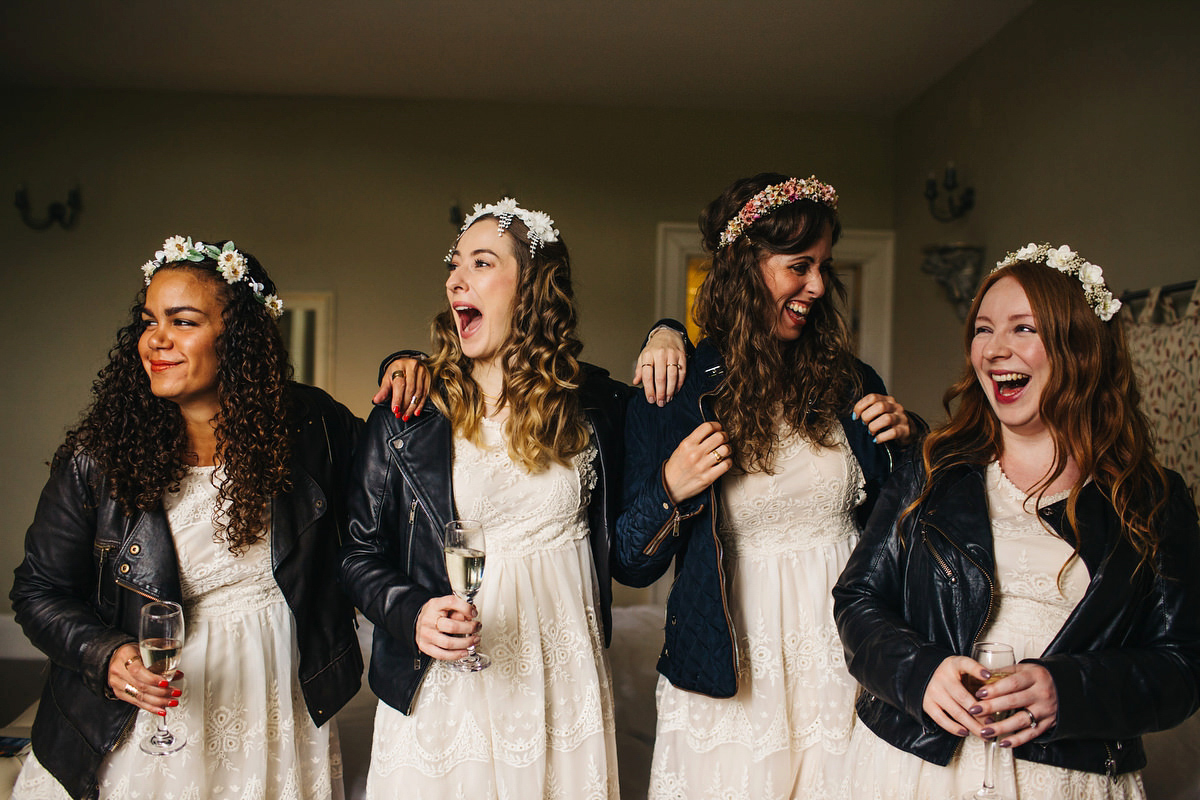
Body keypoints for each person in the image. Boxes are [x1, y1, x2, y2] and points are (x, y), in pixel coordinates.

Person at [832, 244, 1200, 799]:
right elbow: (857, 600)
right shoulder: (931, 470)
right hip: (915, 774)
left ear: (1080, 348)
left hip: (1065, 781)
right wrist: (920, 672)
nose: (995, 350)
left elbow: (1182, 666)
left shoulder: (1153, 500)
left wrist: (1069, 690)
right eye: (983, 330)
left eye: (1022, 329)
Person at [10, 237, 362, 800]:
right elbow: (38, 591)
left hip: (272, 702)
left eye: (184, 321)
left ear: (240, 340)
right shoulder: (99, 457)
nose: (157, 339)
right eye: (150, 321)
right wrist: (106, 656)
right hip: (145, 715)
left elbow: (392, 498)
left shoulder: (311, 427)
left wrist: (405, 366)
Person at [341, 198, 659, 799]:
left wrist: (667, 331)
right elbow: (356, 554)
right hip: (445, 679)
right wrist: (413, 612)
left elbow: (634, 550)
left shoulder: (597, 408)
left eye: (481, 263)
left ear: (533, 288)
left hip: (564, 684)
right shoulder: (410, 411)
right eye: (454, 264)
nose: (455, 278)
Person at [617, 173, 919, 799]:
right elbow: (630, 562)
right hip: (730, 656)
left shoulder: (851, 379)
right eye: (797, 266)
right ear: (743, 266)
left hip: (843, 653)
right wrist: (671, 489)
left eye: (823, 267)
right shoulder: (677, 385)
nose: (815, 285)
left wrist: (909, 436)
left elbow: (906, 522)